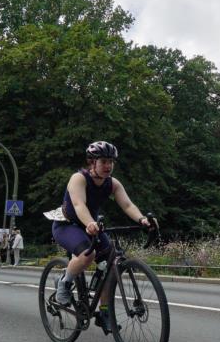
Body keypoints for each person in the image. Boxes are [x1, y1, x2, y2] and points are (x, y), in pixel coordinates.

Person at [49, 141, 151, 331]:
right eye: (103, 161)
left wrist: (143, 220)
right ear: (92, 162)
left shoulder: (112, 183)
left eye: (111, 162)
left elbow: (128, 206)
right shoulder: (78, 178)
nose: (108, 166)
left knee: (111, 265)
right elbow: (79, 205)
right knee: (87, 255)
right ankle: (64, 282)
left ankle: (104, 312)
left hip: (93, 226)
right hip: (68, 225)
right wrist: (89, 223)